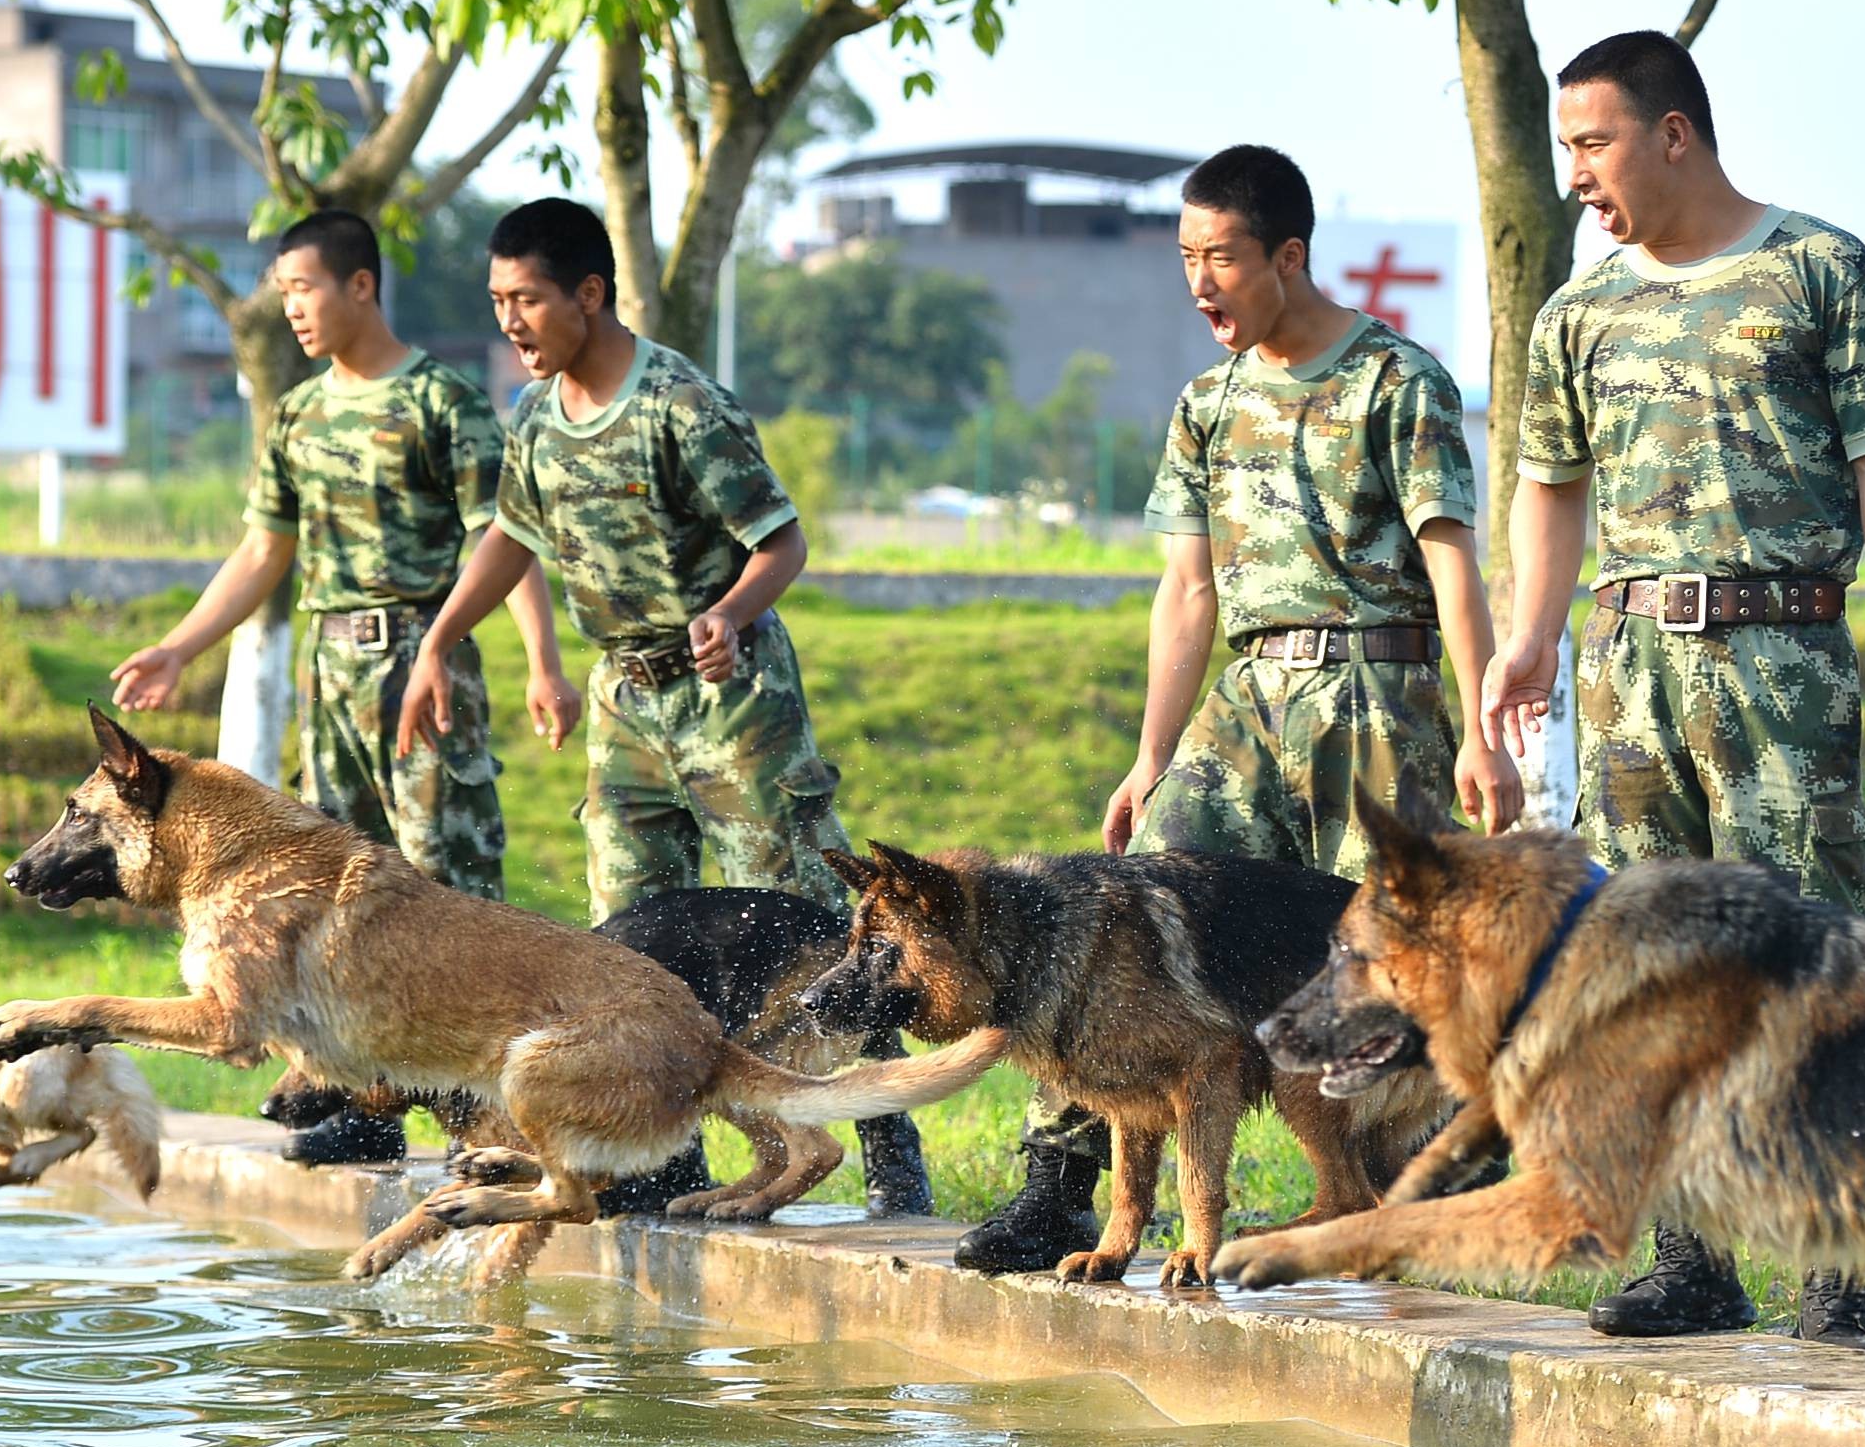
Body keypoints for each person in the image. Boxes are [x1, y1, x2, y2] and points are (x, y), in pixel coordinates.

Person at [956, 142, 1522, 1276]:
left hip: (1380, 697)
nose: (1200, 281)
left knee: (1390, 961)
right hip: (1248, 701)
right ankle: (1060, 1190)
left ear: (1289, 255)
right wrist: (1151, 756)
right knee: (1124, 909)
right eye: (1185, 258)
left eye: (1220, 256)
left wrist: (1482, 725)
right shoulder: (1207, 403)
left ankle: (1406, 1208)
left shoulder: (1397, 381)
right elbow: (1188, 587)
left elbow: (1450, 560)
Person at [1482, 28, 1865, 1351]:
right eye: (1562, 148)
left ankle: (1833, 1281)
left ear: (1672, 133)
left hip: (1783, 656)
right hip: (1628, 665)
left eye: (1590, 143)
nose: (1573, 172)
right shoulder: (1577, 312)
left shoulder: (1819, 269)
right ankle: (1692, 1262)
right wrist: (1530, 635)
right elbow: (1549, 480)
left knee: (1816, 970)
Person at [109, 208, 577, 1166]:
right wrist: (180, 647)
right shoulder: (299, 412)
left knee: (447, 886)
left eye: (305, 289)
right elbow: (262, 550)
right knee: (328, 897)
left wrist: (542, 663)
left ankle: (489, 1122)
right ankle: (366, 1105)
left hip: (425, 661)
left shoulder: (442, 399)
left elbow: (505, 535)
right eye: (282, 295)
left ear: (360, 285)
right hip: (332, 668)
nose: (293, 311)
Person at [395, 198, 849, 921]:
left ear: (589, 294)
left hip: (731, 700)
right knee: (634, 948)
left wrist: (729, 616)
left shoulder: (683, 406)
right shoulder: (537, 415)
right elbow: (511, 538)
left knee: (796, 930)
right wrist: (439, 644)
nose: (509, 323)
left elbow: (782, 541)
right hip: (623, 706)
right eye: (498, 302)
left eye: (528, 301)